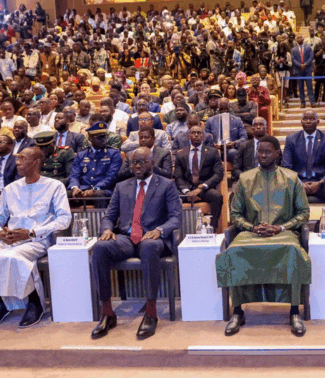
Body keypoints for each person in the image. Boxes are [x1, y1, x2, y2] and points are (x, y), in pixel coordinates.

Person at [216, 135, 311, 336]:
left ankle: (294, 310)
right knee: (233, 252)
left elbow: (303, 213)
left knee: (292, 251)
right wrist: (252, 228)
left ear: (277, 153)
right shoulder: (245, 179)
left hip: (284, 233)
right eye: (260, 151)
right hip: (251, 233)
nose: (263, 155)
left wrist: (281, 227)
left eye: (268, 152)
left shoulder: (291, 178)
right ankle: (238, 311)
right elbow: (235, 214)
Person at [0, 146, 71, 328]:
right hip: (9, 240)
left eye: (23, 159)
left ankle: (34, 303)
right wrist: (0, 233)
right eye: (17, 158)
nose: (17, 162)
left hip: (37, 240)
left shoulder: (54, 186)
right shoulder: (11, 188)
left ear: (37, 162)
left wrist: (32, 232)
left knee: (13, 257)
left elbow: (64, 219)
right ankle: (1, 303)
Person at [91, 147, 182, 340]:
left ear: (152, 163)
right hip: (126, 238)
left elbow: (176, 217)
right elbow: (109, 216)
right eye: (134, 162)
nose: (137, 166)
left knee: (148, 246)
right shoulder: (121, 186)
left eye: (142, 161)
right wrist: (106, 229)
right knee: (100, 247)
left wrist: (160, 230)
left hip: (152, 237)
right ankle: (107, 313)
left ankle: (151, 313)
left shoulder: (166, 185)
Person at [282, 110, 325, 220]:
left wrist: (320, 183)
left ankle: (324, 221)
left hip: (321, 183)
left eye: (311, 119)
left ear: (318, 121)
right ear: (301, 122)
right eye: (305, 119)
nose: (308, 121)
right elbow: (286, 167)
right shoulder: (291, 139)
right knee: (281, 189)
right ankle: (295, 223)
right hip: (298, 183)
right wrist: (300, 183)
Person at [174, 126, 225, 232]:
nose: (196, 135)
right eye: (193, 133)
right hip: (186, 191)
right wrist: (187, 192)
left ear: (203, 136)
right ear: (189, 136)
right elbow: (178, 176)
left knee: (217, 196)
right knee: (171, 197)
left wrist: (201, 188)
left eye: (199, 133)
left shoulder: (212, 152)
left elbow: (218, 174)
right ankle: (178, 231)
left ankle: (213, 228)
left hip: (204, 190)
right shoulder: (181, 154)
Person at [68, 122, 122, 203]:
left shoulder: (114, 153)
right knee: (67, 194)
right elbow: (74, 175)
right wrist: (75, 187)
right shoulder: (81, 154)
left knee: (99, 195)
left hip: (103, 190)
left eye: (105, 136)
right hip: (83, 189)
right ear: (90, 139)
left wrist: (95, 189)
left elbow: (111, 177)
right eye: (99, 137)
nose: (103, 140)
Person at [203, 97, 248, 163]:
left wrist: (234, 143)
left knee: (233, 153)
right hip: (215, 150)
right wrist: (213, 144)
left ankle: (237, 169)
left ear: (229, 108)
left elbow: (244, 138)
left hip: (230, 149)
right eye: (221, 109)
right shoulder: (210, 121)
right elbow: (205, 139)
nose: (224, 111)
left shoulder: (237, 120)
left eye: (226, 109)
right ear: (218, 108)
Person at [232, 116, 269, 181]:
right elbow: (236, 169)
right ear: (252, 128)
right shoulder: (243, 146)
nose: (258, 127)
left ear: (266, 128)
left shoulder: (273, 145)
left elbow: (278, 167)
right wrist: (245, 178)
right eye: (255, 125)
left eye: (261, 124)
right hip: (247, 181)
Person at [291, 35, 315, 108]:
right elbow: (293, 59)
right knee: (300, 87)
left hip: (307, 69)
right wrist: (300, 65)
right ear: (296, 40)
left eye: (300, 37)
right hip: (299, 70)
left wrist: (305, 64)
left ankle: (312, 102)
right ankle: (302, 102)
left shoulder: (308, 47)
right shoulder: (293, 49)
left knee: (309, 86)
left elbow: (311, 57)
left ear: (303, 39)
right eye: (298, 38)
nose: (299, 39)